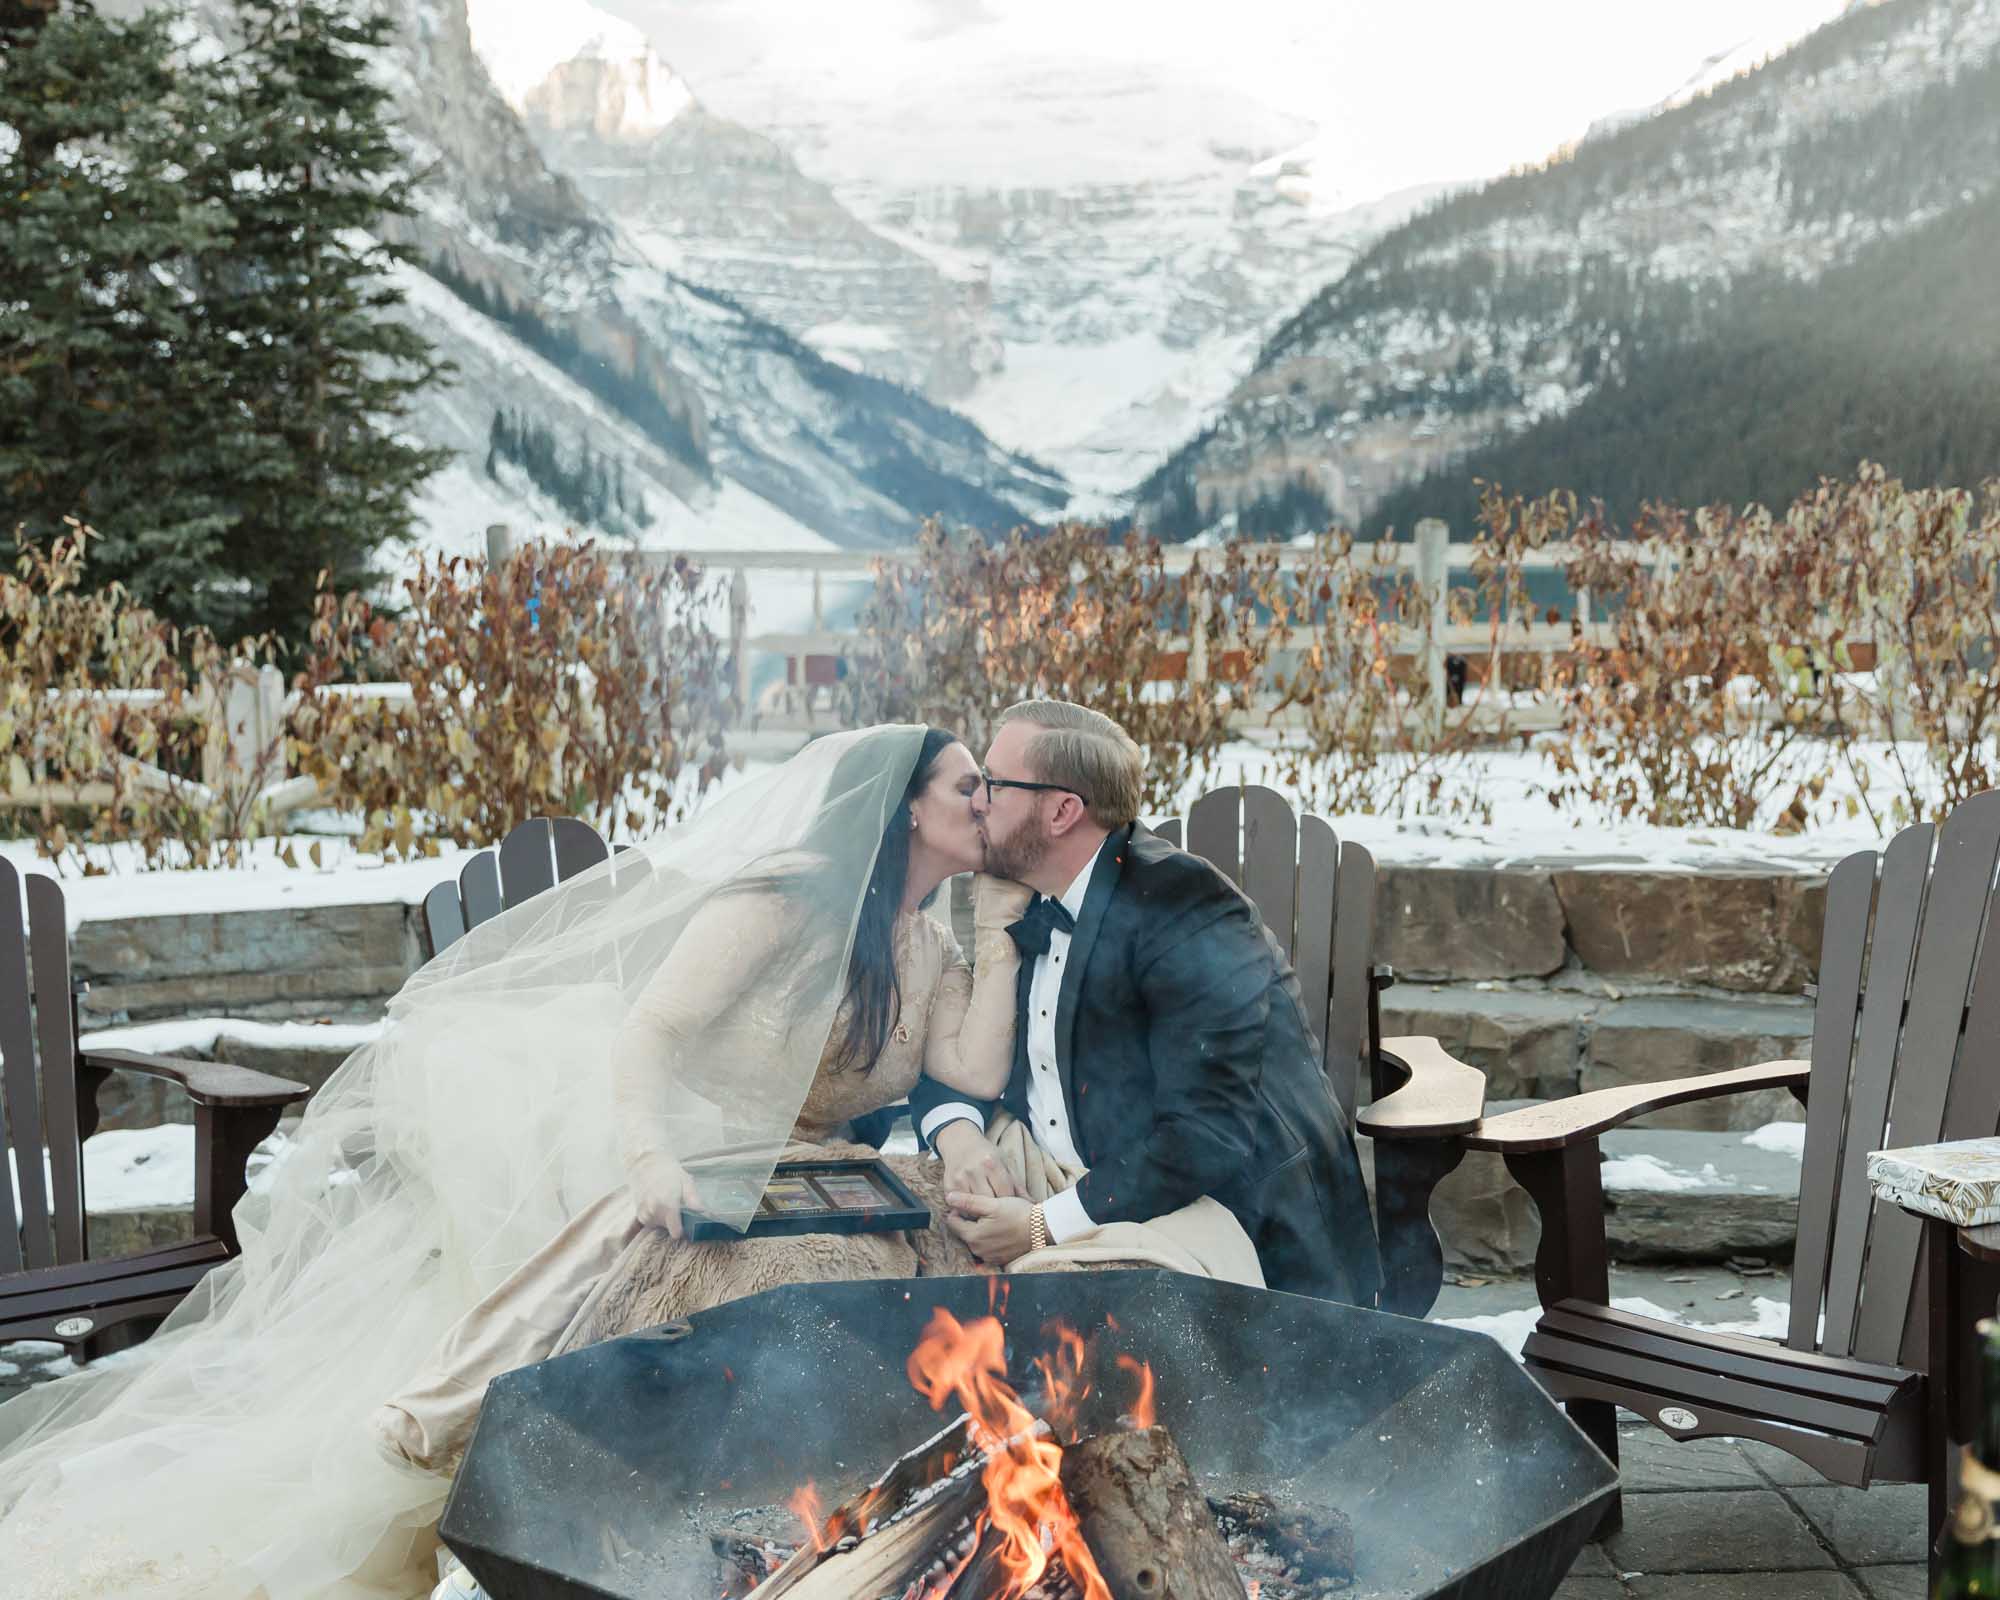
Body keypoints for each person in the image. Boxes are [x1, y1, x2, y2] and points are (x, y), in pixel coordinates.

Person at [0, 725, 1014, 1600]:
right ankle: (520, 1455)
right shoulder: (786, 903)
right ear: (900, 805)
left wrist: (1003, 918)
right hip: (667, 1136)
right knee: (705, 1264)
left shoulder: (923, 944)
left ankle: (837, 1521)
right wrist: (651, 1154)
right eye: (966, 784)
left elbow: (968, 1068)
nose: (984, 802)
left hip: (796, 1177)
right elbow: (649, 1036)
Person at [911, 699, 1382, 1305]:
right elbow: (949, 1059)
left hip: (1209, 1217)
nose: (978, 799)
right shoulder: (1016, 899)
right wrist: (960, 1138)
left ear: (1061, 811)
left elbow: (1204, 1137)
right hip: (1045, 1180)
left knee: (1047, 1323)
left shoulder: (1187, 910)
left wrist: (1041, 1226)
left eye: (996, 784)